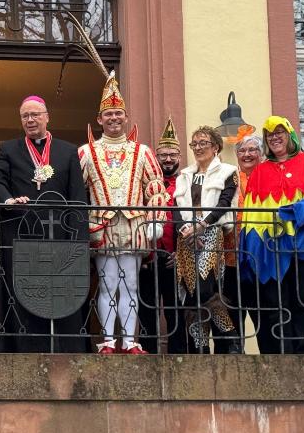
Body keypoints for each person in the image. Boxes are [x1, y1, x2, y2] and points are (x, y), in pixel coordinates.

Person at [0, 95, 90, 353]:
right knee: (24, 295)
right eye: (25, 116)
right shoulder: (9, 149)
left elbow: (78, 197)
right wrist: (9, 200)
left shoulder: (68, 151)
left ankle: (67, 349)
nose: (30, 120)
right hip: (21, 236)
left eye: (35, 115)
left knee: (62, 294)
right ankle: (25, 348)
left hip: (60, 236)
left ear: (47, 117)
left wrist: (78, 240)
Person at [239, 116, 304, 355]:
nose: (274, 137)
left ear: (290, 135)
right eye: (269, 135)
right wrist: (252, 251)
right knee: (275, 304)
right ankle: (281, 355)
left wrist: (301, 210)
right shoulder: (260, 172)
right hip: (271, 250)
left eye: (279, 132)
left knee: (303, 302)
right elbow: (251, 215)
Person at [78, 72, 168, 354]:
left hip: (133, 225)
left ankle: (129, 341)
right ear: (99, 118)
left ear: (126, 117)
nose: (114, 118)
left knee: (129, 284)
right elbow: (75, 191)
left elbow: (155, 187)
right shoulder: (86, 152)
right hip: (101, 227)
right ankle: (107, 340)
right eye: (109, 114)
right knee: (106, 284)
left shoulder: (142, 152)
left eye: (119, 113)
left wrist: (156, 219)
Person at [174, 125, 239, 353]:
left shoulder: (228, 171)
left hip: (211, 232)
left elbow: (224, 202)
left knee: (205, 289)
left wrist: (202, 225)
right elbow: (175, 206)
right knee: (191, 294)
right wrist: (185, 230)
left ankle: (230, 336)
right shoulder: (184, 175)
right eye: (195, 144)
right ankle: (199, 347)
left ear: (216, 147)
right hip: (186, 238)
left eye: (204, 143)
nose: (199, 148)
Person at [137, 117, 186, 354]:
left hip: (175, 256)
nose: (167, 159)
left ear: (179, 157)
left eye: (172, 155)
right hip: (148, 256)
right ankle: (147, 352)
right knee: (146, 308)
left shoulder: (186, 183)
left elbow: (192, 219)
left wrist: (183, 252)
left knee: (175, 309)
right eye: (163, 154)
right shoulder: (144, 185)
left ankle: (177, 354)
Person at [224, 133, 265, 346]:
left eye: (252, 150)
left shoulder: (269, 176)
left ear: (261, 153)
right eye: (242, 151)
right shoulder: (229, 177)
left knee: (264, 317)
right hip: (231, 257)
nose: (247, 154)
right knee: (232, 316)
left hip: (262, 258)